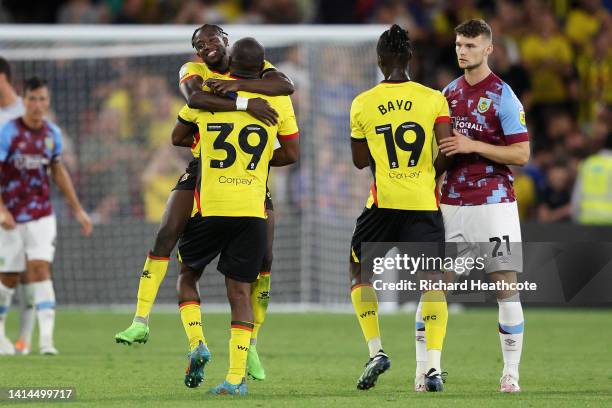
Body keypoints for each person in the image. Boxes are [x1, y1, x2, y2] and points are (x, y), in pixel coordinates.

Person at [115, 23, 295, 381]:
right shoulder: (193, 70)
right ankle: (140, 320)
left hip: (249, 171)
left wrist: (236, 88)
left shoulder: (254, 66)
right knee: (166, 233)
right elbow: (194, 99)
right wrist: (244, 101)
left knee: (266, 258)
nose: (206, 45)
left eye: (212, 38)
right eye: (199, 43)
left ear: (226, 40)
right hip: (204, 164)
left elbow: (285, 84)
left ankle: (252, 344)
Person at [172, 37, 299, 395]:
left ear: (229, 61)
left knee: (187, 274)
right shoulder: (277, 101)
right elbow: (290, 152)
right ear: (263, 69)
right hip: (253, 208)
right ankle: (235, 379)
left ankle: (197, 341)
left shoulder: (207, 98)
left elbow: (177, 136)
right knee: (241, 291)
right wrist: (254, 163)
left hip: (212, 206)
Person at [348, 24, 452, 392]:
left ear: (379, 60)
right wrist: (427, 176)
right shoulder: (434, 99)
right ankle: (434, 369)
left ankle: (376, 351)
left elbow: (361, 161)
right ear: (410, 58)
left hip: (383, 203)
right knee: (433, 284)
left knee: (359, 272)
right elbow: (449, 149)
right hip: (423, 203)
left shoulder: (362, 102)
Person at [437, 19, 530, 393]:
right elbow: (440, 152)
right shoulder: (446, 94)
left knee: (505, 286)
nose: (463, 51)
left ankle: (510, 373)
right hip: (452, 202)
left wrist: (473, 145)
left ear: (488, 49)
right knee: (434, 286)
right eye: (459, 44)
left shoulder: (504, 96)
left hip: (495, 201)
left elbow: (522, 153)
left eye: (471, 46)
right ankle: (427, 371)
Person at [0, 77, 92, 355]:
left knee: (40, 268)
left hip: (41, 214)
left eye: (42, 99)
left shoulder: (53, 134)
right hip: (12, 216)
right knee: (9, 276)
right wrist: (1, 209)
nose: (38, 105)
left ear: (47, 102)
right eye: (32, 99)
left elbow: (58, 171)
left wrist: (77, 209)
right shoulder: (8, 133)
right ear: (24, 101)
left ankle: (46, 341)